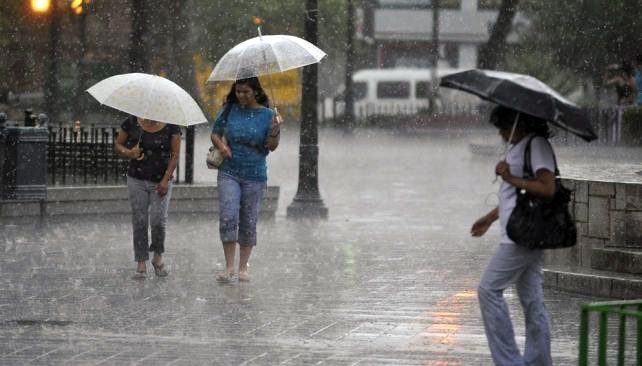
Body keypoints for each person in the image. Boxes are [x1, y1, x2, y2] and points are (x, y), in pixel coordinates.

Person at [471, 106, 555, 366]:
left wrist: (510, 177)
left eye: (504, 128)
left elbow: (547, 187)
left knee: (488, 290)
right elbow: (515, 198)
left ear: (519, 124)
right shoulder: (518, 147)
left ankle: (509, 362)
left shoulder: (537, 145)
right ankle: (539, 362)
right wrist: (490, 217)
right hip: (522, 232)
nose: (501, 134)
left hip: (522, 236)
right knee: (532, 301)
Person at [210, 77, 281, 283]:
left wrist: (275, 129)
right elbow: (215, 134)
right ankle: (229, 266)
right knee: (228, 215)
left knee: (249, 219)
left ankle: (243, 267)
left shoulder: (268, 115)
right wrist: (222, 146)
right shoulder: (229, 109)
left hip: (255, 174)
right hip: (229, 171)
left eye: (246, 92)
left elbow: (271, 146)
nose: (241, 95)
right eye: (239, 91)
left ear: (255, 92)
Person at [114, 116, 181, 278]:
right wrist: (129, 152)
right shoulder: (132, 122)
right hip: (136, 178)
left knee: (158, 219)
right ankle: (141, 262)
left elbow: (175, 155)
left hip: (161, 180)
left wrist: (166, 179)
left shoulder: (172, 126)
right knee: (139, 219)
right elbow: (118, 145)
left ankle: (158, 256)